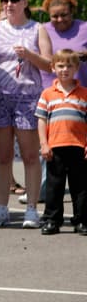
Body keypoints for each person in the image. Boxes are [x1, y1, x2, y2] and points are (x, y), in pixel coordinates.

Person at [0, 0, 52, 228]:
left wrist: (30, 55)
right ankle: (1, 208)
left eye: (14, 0)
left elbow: (49, 64)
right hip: (0, 96)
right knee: (1, 157)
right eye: (5, 0)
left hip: (28, 97)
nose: (9, 5)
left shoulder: (37, 29)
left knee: (30, 155)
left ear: (25, 3)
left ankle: (32, 209)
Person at [35, 49, 87, 235]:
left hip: (79, 146)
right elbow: (41, 120)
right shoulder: (48, 94)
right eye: (60, 65)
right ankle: (52, 219)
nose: (65, 69)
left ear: (76, 68)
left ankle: (81, 220)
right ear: (53, 67)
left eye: (69, 66)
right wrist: (44, 144)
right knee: (54, 186)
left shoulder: (84, 94)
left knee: (80, 186)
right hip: (55, 146)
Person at [40, 0, 87, 87]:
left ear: (71, 12)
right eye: (55, 16)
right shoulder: (42, 30)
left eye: (64, 15)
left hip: (80, 92)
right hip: (50, 93)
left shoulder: (84, 28)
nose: (60, 19)